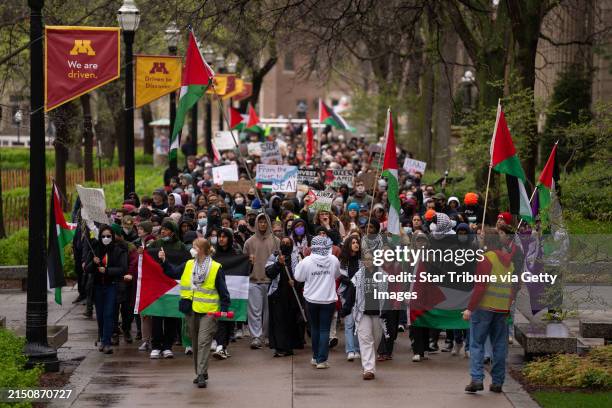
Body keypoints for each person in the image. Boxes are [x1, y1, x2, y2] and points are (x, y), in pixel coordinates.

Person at [159, 238, 230, 389]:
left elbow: (223, 291)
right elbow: (172, 273)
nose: (192, 249)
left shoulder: (216, 267)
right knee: (195, 342)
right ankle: (201, 371)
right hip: (190, 309)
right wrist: (164, 261)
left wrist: (224, 309)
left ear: (203, 250)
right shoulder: (189, 264)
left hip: (209, 311)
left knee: (204, 341)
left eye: (195, 246)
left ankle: (200, 374)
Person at [463, 228, 517, 394]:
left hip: (484, 308)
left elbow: (480, 287)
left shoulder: (485, 259)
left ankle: (477, 378)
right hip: (501, 308)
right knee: (499, 346)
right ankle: (498, 382)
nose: (480, 239)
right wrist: (507, 307)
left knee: (477, 343)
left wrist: (469, 308)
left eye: (482, 237)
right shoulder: (510, 263)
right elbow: (513, 287)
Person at [294, 235, 342, 369]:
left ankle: (315, 357)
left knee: (315, 328)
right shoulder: (333, 260)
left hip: (311, 299)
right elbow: (337, 275)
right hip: (328, 300)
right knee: (325, 329)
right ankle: (322, 360)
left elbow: (298, 277)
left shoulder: (306, 261)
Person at [85, 225, 128, 354]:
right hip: (97, 287)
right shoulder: (95, 249)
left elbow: (122, 269)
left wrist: (108, 270)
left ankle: (106, 342)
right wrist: (93, 262)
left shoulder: (118, 250)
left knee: (109, 313)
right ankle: (103, 338)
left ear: (113, 237)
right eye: (103, 236)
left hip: (112, 286)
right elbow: (87, 269)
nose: (106, 238)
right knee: (100, 315)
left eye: (109, 236)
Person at [148, 220, 187, 359]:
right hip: (158, 285)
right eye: (162, 229)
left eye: (167, 229)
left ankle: (167, 346)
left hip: (173, 285)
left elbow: (187, 260)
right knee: (157, 315)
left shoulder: (180, 246)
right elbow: (146, 256)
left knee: (171, 315)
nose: (163, 231)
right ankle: (156, 346)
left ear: (173, 231)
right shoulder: (155, 244)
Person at [243, 213, 280, 349]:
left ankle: (267, 335)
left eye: (265, 222)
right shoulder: (249, 242)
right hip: (254, 281)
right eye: (261, 222)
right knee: (255, 311)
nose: (263, 224)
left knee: (269, 312)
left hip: (270, 281)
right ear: (257, 223)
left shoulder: (276, 241)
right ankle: (256, 337)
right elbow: (243, 262)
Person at [265, 236, 306, 357]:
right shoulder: (274, 256)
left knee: (291, 321)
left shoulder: (297, 257)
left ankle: (290, 346)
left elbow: (303, 275)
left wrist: (296, 282)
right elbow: (269, 273)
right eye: (283, 243)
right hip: (277, 294)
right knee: (278, 321)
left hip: (293, 294)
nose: (285, 245)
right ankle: (279, 347)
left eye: (288, 243)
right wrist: (278, 263)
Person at [338, 236, 361, 361]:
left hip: (360, 294)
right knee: (349, 323)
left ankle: (357, 349)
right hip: (347, 294)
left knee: (358, 323)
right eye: (353, 242)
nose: (356, 244)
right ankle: (350, 350)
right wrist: (354, 282)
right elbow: (341, 277)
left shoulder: (362, 260)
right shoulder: (343, 260)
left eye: (357, 242)